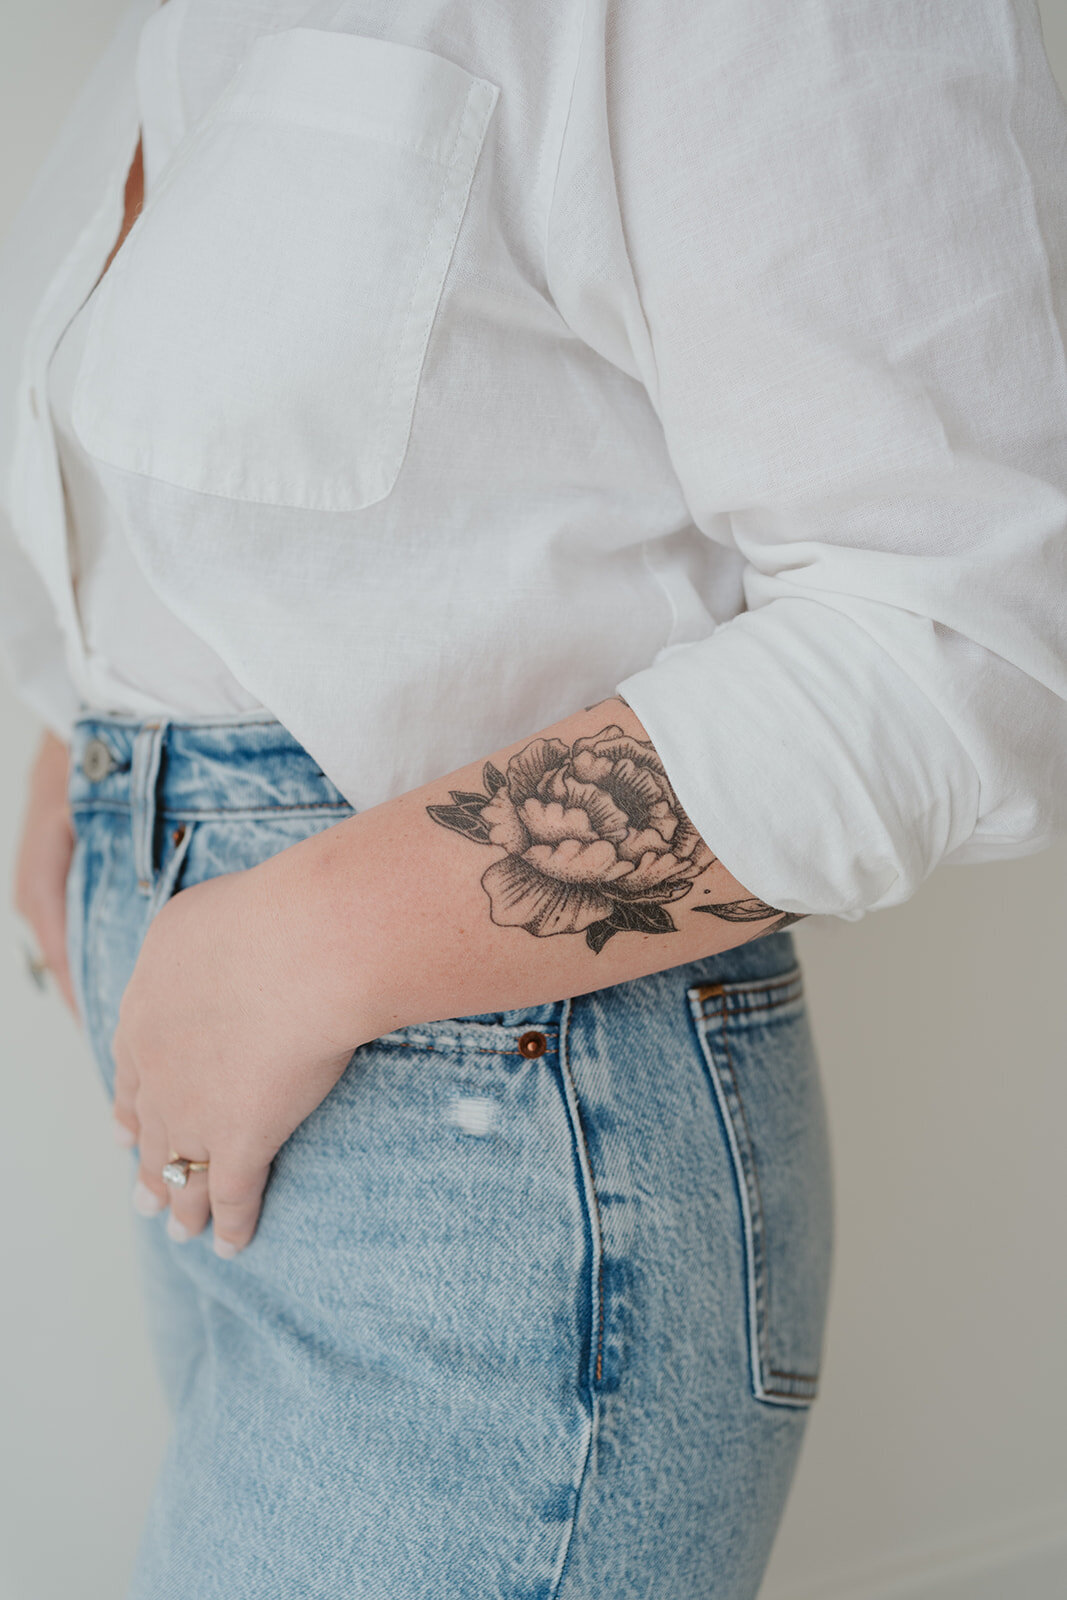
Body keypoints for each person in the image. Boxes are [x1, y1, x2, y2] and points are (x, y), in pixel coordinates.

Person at [3, 0, 1065, 1595]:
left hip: (497, 1114)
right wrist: (79, 757)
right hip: (241, 1088)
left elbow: (967, 636)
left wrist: (289, 946)